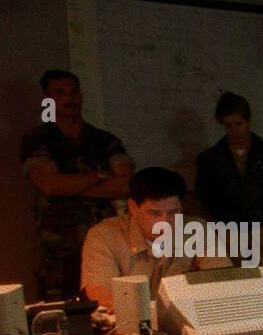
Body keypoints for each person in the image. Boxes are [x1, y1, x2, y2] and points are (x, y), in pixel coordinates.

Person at [20, 69, 134, 299]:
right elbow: (49, 186)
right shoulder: (38, 140)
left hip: (107, 238)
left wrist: (69, 182)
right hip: (61, 245)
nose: (69, 98)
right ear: (48, 99)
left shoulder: (104, 140)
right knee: (63, 313)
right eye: (60, 92)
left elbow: (127, 185)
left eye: (74, 92)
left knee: (113, 305)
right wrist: (101, 176)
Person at [80, 167, 199, 307]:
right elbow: (98, 292)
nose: (164, 222)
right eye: (155, 213)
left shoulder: (197, 230)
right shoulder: (104, 235)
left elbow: (223, 281)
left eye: (173, 212)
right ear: (133, 207)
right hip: (128, 323)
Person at [195, 92, 263, 265]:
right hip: (229, 226)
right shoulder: (209, 160)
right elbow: (207, 195)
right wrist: (227, 219)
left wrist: (259, 217)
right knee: (234, 276)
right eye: (228, 125)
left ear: (248, 121)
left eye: (239, 124)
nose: (234, 130)